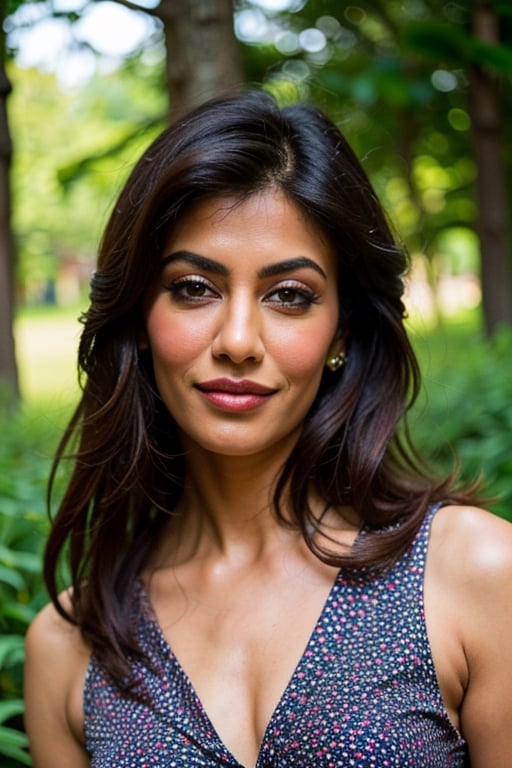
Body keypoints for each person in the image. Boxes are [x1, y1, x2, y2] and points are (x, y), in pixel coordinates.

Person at [24, 90, 512, 768]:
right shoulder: (71, 643)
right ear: (139, 313)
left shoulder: (476, 573)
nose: (239, 340)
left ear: (341, 330)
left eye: (290, 295)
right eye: (195, 287)